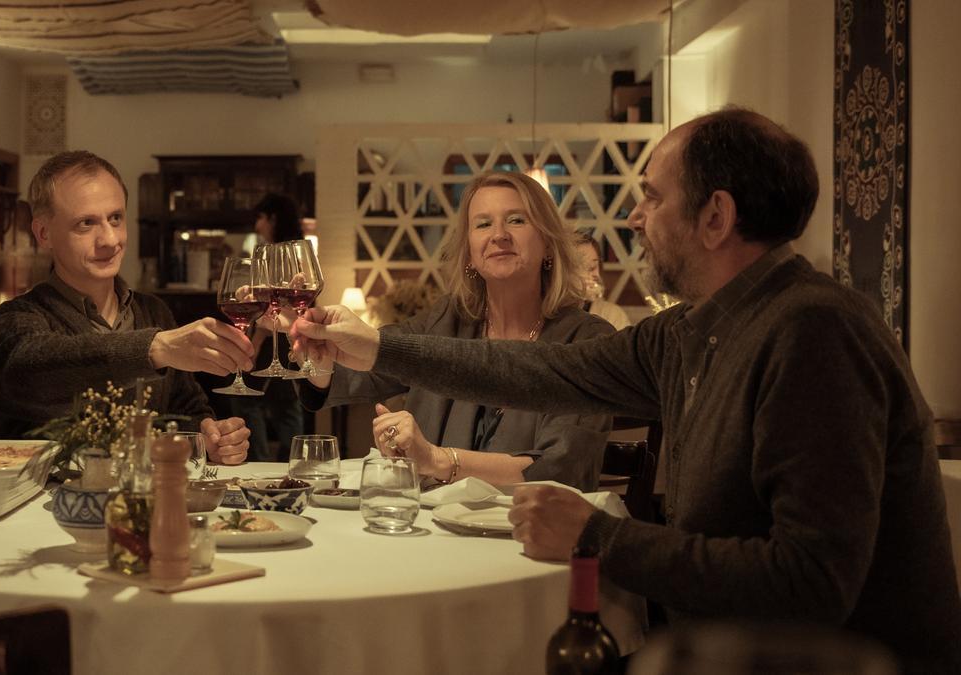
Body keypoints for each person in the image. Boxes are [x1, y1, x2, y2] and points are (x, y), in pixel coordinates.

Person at [290, 108, 961, 672]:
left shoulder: (815, 332)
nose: (635, 218)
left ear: (716, 216)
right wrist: (375, 344)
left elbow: (809, 584)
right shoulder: (693, 331)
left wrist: (600, 536)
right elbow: (534, 371)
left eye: (653, 196)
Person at [298, 171, 613, 490]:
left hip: (530, 530)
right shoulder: (448, 319)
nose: (499, 235)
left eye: (516, 220)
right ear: (470, 255)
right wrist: (319, 353)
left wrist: (436, 459)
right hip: (436, 530)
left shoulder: (587, 340)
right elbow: (371, 368)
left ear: (547, 244)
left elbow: (562, 467)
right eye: (483, 223)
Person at [0, 150, 253, 464]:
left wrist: (208, 437)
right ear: (43, 233)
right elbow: (34, 372)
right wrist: (154, 348)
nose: (109, 240)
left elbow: (185, 412)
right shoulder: (14, 322)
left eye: (115, 218)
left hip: (143, 504)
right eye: (86, 223)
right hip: (44, 509)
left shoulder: (153, 312)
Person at [231, 193, 306, 461]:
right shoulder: (298, 250)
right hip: (293, 337)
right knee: (287, 404)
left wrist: (256, 341)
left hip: (276, 337)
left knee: (248, 401)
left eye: (260, 218)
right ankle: (291, 463)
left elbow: (271, 305)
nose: (257, 226)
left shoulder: (276, 254)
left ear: (273, 218)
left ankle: (260, 462)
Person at [574, 232, 631, 330]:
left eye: (596, 266)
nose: (596, 274)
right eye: (590, 268)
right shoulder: (549, 316)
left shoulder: (613, 315)